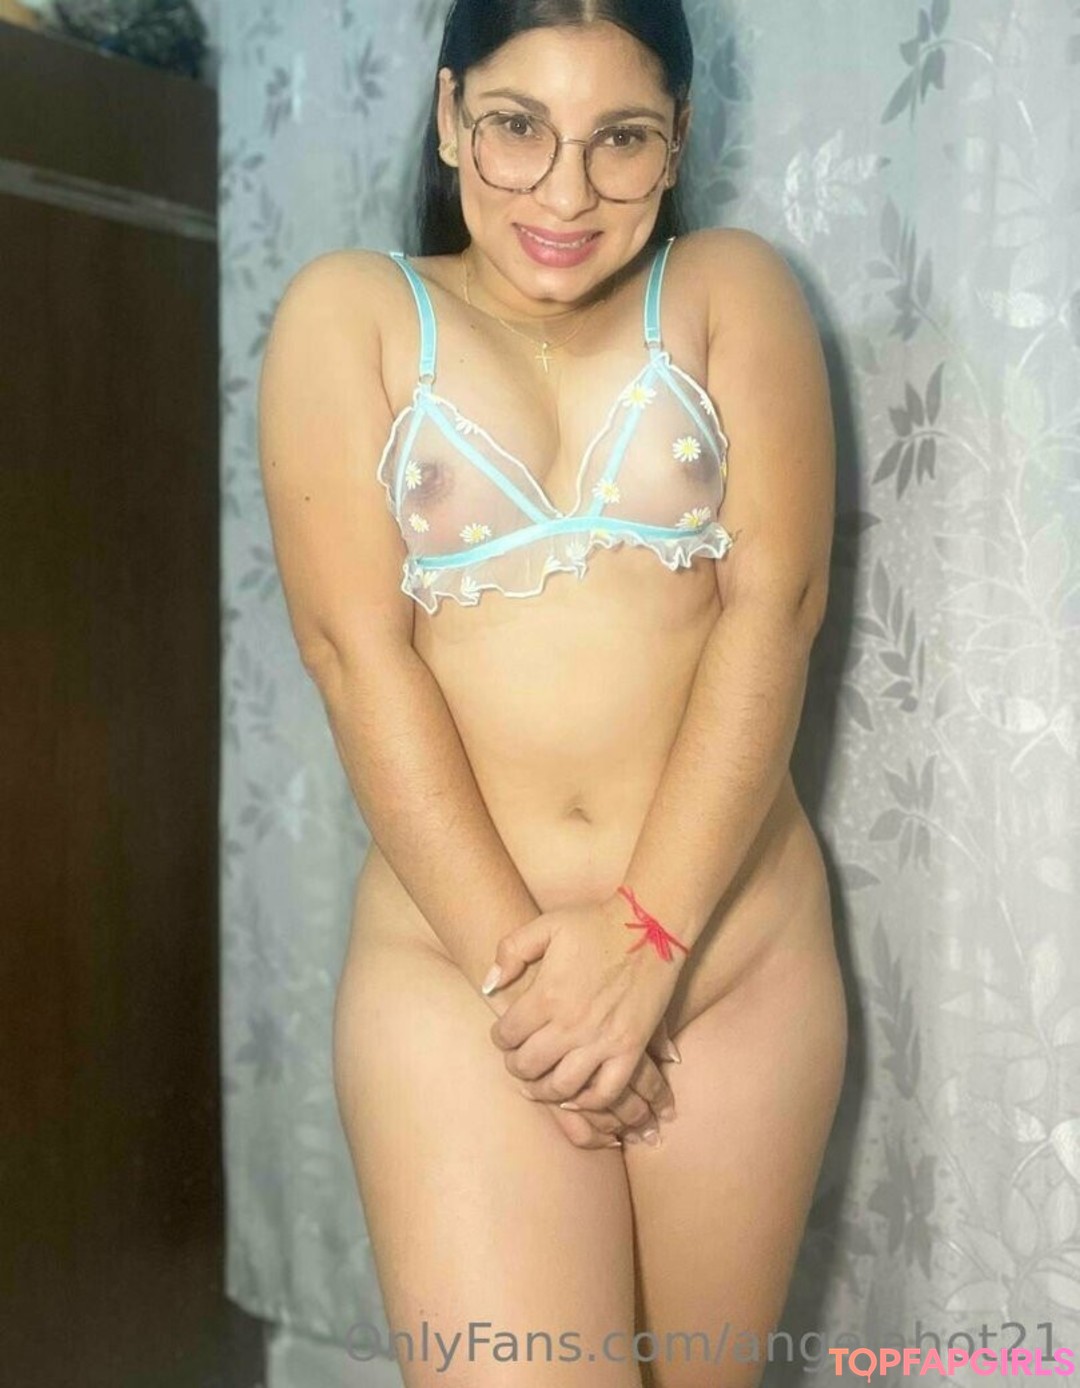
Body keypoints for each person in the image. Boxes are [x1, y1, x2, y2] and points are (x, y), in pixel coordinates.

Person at [258, 2, 845, 1384]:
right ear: (450, 114)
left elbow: (776, 613)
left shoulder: (734, 291)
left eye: (620, 139)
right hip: (465, 973)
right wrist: (537, 1002)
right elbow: (356, 658)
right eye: (519, 128)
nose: (566, 192)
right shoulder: (353, 314)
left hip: (732, 957)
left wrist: (649, 943)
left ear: (678, 139)